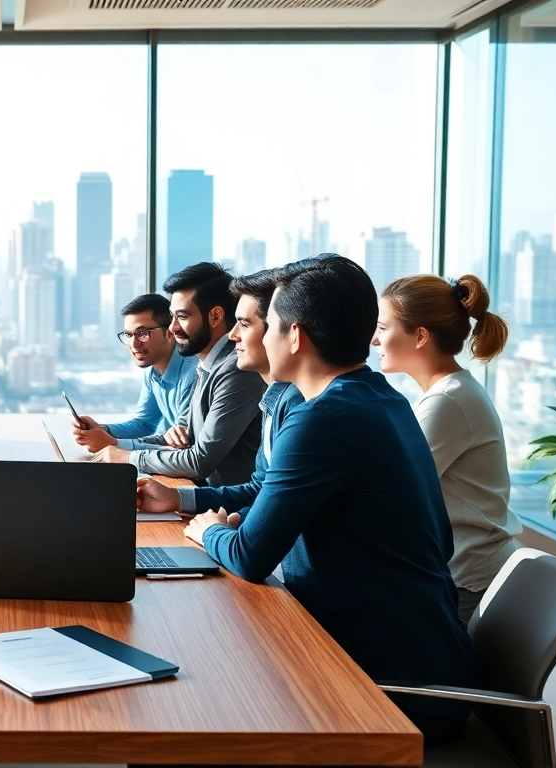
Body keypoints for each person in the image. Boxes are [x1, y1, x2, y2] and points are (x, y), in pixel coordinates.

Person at [137, 255, 472, 744]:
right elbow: (270, 490)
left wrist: (210, 531)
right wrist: (193, 505)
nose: (237, 337)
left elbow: (250, 556)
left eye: (262, 324)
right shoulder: (378, 398)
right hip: (414, 662)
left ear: (294, 336)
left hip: (393, 691)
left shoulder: (326, 418)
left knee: (183, 706)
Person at [374, 273, 521, 622]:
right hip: (463, 567)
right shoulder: (450, 392)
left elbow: (392, 490)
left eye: (382, 328)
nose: (374, 339)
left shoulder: (447, 401)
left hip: (466, 579)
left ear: (420, 336)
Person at [87, 261, 265, 488]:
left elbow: (199, 460)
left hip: (225, 501)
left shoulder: (236, 370)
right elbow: (178, 442)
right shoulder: (206, 366)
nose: (172, 328)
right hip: (203, 493)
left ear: (215, 317)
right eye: (172, 317)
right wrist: (116, 446)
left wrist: (128, 457)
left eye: (182, 316)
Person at [190, 267, 305, 520]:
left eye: (244, 324)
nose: (232, 335)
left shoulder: (299, 407)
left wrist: (216, 531)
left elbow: (277, 511)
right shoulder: (274, 399)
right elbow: (261, 489)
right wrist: (179, 497)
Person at [72, 293, 196, 452]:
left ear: (170, 333)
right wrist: (102, 430)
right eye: (129, 335)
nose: (133, 344)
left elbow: (184, 445)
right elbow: (144, 423)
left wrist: (113, 444)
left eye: (143, 334)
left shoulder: (193, 374)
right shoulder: (152, 369)